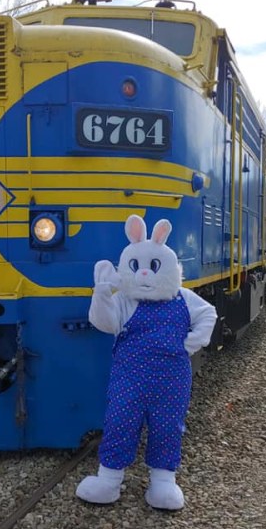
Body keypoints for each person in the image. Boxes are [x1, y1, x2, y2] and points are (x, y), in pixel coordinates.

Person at [76, 214, 217, 511]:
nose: (143, 274)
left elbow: (209, 314)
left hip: (172, 379)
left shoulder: (183, 298)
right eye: (136, 267)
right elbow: (105, 323)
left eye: (152, 267)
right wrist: (101, 294)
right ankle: (109, 480)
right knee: (120, 421)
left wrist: (189, 343)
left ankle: (163, 482)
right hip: (129, 378)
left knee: (168, 426)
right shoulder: (126, 301)